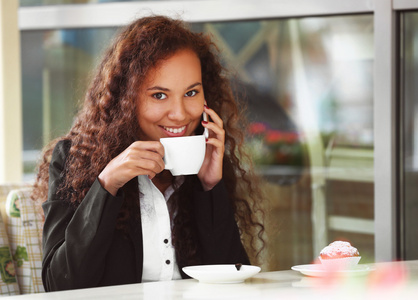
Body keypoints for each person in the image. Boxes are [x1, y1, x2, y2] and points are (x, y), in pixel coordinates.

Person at [32, 15, 265, 292]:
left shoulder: (204, 159)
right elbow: (60, 285)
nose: (179, 114)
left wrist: (210, 187)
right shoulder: (74, 158)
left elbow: (231, 280)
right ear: (126, 99)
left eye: (191, 92)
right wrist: (107, 185)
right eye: (159, 95)